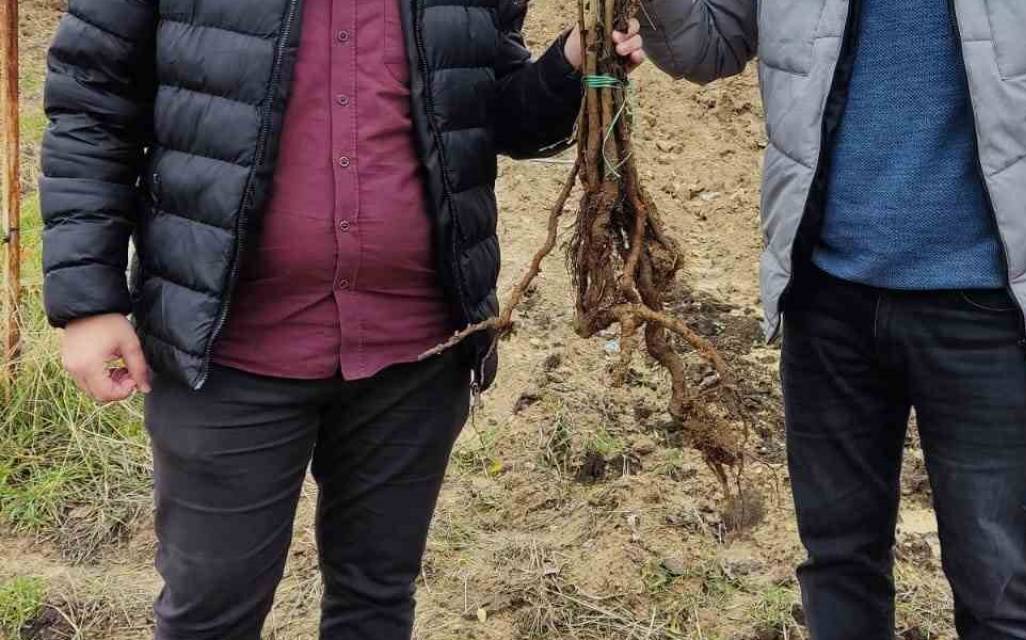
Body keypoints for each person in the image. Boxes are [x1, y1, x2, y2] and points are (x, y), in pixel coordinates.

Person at [40, 1, 644, 638]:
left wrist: (573, 60)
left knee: (376, 602)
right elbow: (92, 101)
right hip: (229, 349)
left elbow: (489, 112)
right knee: (210, 611)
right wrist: (89, 301)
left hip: (413, 350)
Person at [638, 0, 1026, 638]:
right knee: (838, 565)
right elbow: (705, 47)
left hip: (991, 315)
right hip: (827, 298)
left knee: (996, 595)